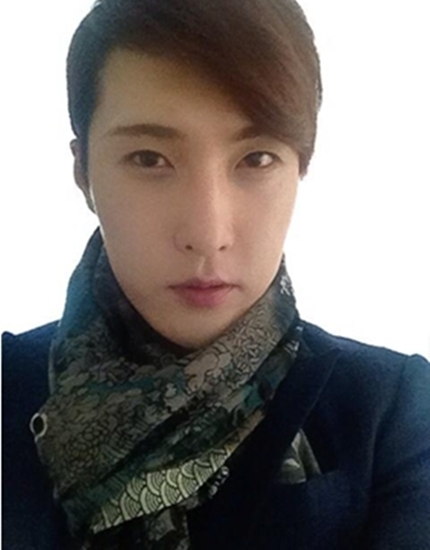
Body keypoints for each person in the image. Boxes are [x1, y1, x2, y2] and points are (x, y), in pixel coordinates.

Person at [2, 0, 430, 548]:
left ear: (301, 166)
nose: (208, 233)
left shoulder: (389, 412)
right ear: (83, 171)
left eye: (256, 159)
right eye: (149, 158)